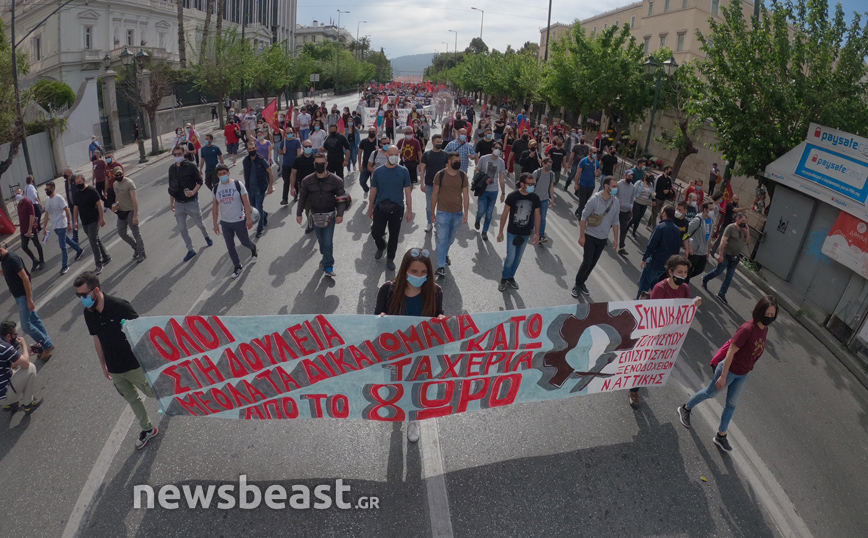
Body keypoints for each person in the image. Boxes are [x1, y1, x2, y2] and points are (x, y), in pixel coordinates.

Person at [677, 295, 778, 452]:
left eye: (773, 315)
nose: (770, 317)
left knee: (732, 405)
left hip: (742, 374)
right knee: (710, 393)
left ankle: (721, 435)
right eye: (767, 314)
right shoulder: (747, 329)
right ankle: (685, 408)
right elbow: (731, 351)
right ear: (760, 311)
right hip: (729, 370)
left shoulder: (765, 329)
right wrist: (723, 376)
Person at [75, 271, 159, 449]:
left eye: (84, 295)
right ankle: (148, 429)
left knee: (154, 393)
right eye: (79, 295)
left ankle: (176, 394)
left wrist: (150, 358)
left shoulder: (120, 306)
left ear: (96, 290)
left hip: (134, 364)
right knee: (132, 399)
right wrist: (103, 365)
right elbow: (97, 338)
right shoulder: (88, 313)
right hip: (115, 368)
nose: (82, 299)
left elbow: (141, 332)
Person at [628, 256, 703, 405]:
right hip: (654, 333)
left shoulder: (685, 288)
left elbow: (683, 312)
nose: (683, 275)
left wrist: (693, 305)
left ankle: (634, 380)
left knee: (651, 363)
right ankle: (634, 390)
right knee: (645, 361)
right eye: (679, 272)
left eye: (685, 272)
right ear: (670, 272)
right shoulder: (660, 288)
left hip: (668, 335)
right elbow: (654, 315)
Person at [296, 152, 348, 278]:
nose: (320, 165)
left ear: (326, 164)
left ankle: (328, 266)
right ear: (314, 164)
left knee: (328, 242)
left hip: (330, 215)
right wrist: (299, 214)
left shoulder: (336, 181)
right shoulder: (307, 181)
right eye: (317, 163)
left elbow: (341, 198)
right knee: (321, 241)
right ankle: (325, 257)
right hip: (315, 216)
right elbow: (302, 198)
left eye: (322, 163)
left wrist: (340, 214)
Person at [0, 246, 54, 361]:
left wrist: (29, 299)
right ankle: (47, 343)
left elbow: (25, 278)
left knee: (25, 326)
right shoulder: (4, 259)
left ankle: (47, 345)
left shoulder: (12, 258)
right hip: (18, 296)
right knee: (34, 319)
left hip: (23, 296)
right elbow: (11, 272)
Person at [571, 176, 621, 297]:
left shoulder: (615, 202)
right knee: (587, 261)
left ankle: (582, 282)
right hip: (590, 235)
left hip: (603, 238)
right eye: (614, 186)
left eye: (616, 186)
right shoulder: (595, 199)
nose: (616, 189)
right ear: (606, 186)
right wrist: (582, 236)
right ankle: (577, 284)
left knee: (593, 263)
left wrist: (616, 239)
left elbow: (615, 221)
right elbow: (584, 217)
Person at [369, 146, 413, 271]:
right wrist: (370, 206)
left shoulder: (403, 171)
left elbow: (408, 192)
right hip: (380, 207)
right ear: (386, 155)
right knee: (376, 232)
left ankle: (390, 258)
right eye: (391, 154)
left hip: (397, 208)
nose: (394, 157)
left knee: (394, 235)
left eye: (396, 154)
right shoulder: (378, 172)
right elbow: (373, 190)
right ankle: (381, 245)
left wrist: (409, 211)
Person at [211, 164, 257, 278]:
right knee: (230, 246)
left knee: (245, 242)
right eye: (220, 174)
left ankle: (253, 248)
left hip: (239, 220)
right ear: (217, 176)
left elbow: (246, 202)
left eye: (224, 173)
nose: (223, 176)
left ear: (228, 173)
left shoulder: (237, 184)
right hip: (225, 223)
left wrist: (248, 218)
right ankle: (237, 266)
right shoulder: (216, 188)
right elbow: (215, 208)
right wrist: (215, 224)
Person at [168, 145, 213, 262]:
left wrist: (193, 191)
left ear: (184, 154)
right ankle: (190, 249)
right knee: (182, 228)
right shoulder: (172, 169)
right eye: (175, 154)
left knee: (199, 224)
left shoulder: (191, 166)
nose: (177, 156)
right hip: (179, 203)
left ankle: (206, 237)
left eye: (179, 154)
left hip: (191, 202)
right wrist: (171, 202)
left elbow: (200, 181)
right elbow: (171, 187)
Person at [497, 173, 541, 291]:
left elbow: (538, 216)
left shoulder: (535, 198)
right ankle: (504, 278)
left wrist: (537, 233)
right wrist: (500, 232)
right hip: (512, 232)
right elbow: (505, 214)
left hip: (525, 234)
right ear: (522, 184)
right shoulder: (512, 196)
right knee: (510, 257)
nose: (532, 186)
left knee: (518, 258)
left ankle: (511, 277)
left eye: (533, 184)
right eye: (530, 184)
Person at [636, 205, 690, 299]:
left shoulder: (660, 227)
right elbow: (677, 249)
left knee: (644, 286)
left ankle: (638, 303)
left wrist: (644, 258)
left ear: (664, 213)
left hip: (654, 262)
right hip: (665, 266)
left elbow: (651, 244)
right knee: (655, 286)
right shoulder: (676, 229)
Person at [431, 152, 469, 278]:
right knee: (442, 240)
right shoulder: (440, 175)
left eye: (459, 161)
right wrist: (432, 212)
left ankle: (444, 254)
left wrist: (466, 212)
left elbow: (466, 195)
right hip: (442, 212)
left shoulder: (463, 176)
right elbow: (435, 194)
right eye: (456, 161)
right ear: (449, 161)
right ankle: (441, 266)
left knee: (451, 239)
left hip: (457, 213)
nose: (458, 163)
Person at [702, 212, 750, 305]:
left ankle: (722, 293)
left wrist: (747, 231)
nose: (744, 223)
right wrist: (721, 254)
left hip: (735, 257)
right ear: (737, 219)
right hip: (726, 255)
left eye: (745, 221)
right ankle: (705, 279)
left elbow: (748, 241)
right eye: (742, 220)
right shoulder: (730, 228)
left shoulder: (744, 230)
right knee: (718, 271)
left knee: (729, 277)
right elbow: (723, 240)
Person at [42, 180, 84, 275]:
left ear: (53, 189)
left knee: (62, 246)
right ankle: (79, 250)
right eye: (45, 189)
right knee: (67, 240)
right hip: (55, 226)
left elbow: (67, 210)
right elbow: (46, 214)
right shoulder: (47, 200)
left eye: (48, 189)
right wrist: (44, 227)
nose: (46, 191)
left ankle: (65, 265)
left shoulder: (59, 198)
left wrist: (69, 223)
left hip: (61, 224)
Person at [0, 321, 42, 414]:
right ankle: (28, 404)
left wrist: (26, 354)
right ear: (8, 336)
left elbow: (11, 365)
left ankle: (10, 404)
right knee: (30, 368)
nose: (16, 337)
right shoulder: (5, 347)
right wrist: (24, 345)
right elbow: (26, 364)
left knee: (16, 367)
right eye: (15, 335)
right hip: (4, 396)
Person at [73, 175, 111, 273]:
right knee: (95, 239)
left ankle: (99, 264)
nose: (78, 185)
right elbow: (76, 208)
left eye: (80, 182)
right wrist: (75, 221)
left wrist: (102, 218)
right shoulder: (77, 194)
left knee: (93, 242)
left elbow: (99, 204)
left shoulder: (92, 191)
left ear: (84, 180)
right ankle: (106, 256)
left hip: (94, 220)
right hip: (84, 222)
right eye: (76, 183)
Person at [242, 141, 275, 239]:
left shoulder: (261, 159)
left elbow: (270, 172)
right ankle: (264, 215)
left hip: (260, 188)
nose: (252, 150)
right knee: (252, 208)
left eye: (253, 148)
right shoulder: (245, 160)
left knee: (258, 207)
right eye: (250, 149)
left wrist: (270, 186)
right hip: (250, 188)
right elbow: (245, 172)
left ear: (256, 148)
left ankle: (260, 229)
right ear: (247, 150)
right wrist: (245, 186)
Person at [474, 142, 508, 240]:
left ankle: (484, 231)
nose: (498, 150)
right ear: (492, 148)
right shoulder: (484, 158)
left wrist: (503, 192)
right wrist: (482, 179)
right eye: (496, 148)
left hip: (494, 191)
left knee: (489, 213)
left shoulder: (501, 162)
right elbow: (477, 170)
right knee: (481, 210)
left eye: (500, 149)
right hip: (483, 189)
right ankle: (477, 219)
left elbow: (501, 178)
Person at [112, 168, 145, 263]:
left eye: (120, 174)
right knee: (121, 233)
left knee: (136, 233)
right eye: (117, 175)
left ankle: (142, 253)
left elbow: (134, 199)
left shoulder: (129, 183)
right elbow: (117, 197)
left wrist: (135, 215)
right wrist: (115, 205)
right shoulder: (115, 184)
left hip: (130, 211)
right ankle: (135, 247)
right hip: (121, 212)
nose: (119, 176)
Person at [420, 134, 448, 234]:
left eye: (440, 142)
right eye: (437, 142)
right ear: (432, 143)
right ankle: (429, 223)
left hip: (442, 185)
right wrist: (422, 183)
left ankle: (438, 224)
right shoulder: (427, 154)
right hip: (429, 184)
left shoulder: (445, 154)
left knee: (441, 206)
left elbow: (447, 170)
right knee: (429, 206)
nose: (439, 144)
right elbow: (422, 170)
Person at [685, 200, 715, 283]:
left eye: (713, 209)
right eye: (710, 209)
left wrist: (708, 252)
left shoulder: (711, 221)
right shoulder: (698, 220)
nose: (712, 211)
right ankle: (683, 284)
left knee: (700, 269)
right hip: (694, 251)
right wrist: (689, 247)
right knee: (689, 270)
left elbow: (709, 238)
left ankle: (682, 279)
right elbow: (686, 232)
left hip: (703, 252)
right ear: (705, 210)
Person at [16, 188, 45, 271]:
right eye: (16, 194)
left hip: (31, 229)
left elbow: (32, 216)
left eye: (19, 193)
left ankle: (42, 260)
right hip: (23, 229)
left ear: (23, 193)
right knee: (24, 246)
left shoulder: (28, 202)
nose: (18, 195)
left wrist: (29, 230)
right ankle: (35, 260)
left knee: (37, 244)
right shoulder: (19, 205)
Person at [532, 157, 556, 244]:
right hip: (535, 198)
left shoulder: (551, 174)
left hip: (544, 199)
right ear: (543, 164)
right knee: (533, 215)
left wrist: (552, 198)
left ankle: (541, 235)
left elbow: (551, 187)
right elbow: (531, 185)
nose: (549, 167)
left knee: (542, 217)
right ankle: (531, 227)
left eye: (550, 165)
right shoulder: (537, 173)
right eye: (548, 165)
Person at [575, 147, 601, 218]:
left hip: (591, 185)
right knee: (582, 201)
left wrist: (597, 174)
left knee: (587, 201)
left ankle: (578, 211)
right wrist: (576, 184)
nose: (595, 154)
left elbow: (598, 173)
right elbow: (578, 173)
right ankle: (581, 217)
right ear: (590, 152)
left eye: (596, 153)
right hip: (583, 184)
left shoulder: (596, 163)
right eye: (594, 152)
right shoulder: (584, 161)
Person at [278, 127, 302, 205]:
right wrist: (283, 150)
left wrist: (298, 163)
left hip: (294, 165)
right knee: (286, 182)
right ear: (285, 134)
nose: (289, 134)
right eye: (288, 133)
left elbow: (299, 152)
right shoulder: (283, 142)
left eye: (290, 132)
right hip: (286, 165)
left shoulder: (297, 141)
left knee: (295, 181)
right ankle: (284, 199)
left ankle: (296, 195)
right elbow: (280, 152)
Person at [628, 172, 655, 238]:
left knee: (638, 219)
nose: (649, 178)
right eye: (648, 176)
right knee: (635, 218)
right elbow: (633, 191)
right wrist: (631, 201)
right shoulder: (639, 183)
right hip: (637, 202)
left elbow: (652, 193)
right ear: (644, 176)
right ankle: (626, 227)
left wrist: (653, 197)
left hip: (644, 204)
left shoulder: (650, 185)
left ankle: (633, 233)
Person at [615, 170, 636, 255]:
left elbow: (632, 200)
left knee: (623, 229)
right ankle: (603, 238)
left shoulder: (632, 187)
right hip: (617, 210)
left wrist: (631, 209)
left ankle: (621, 247)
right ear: (625, 175)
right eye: (629, 176)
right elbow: (614, 195)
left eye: (632, 177)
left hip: (626, 211)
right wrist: (619, 203)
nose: (630, 178)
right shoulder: (618, 184)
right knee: (610, 225)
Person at [358, 127, 379, 197]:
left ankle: (372, 197)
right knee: (362, 181)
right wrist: (359, 164)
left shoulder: (378, 142)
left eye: (373, 131)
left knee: (373, 184)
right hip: (365, 165)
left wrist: (379, 149)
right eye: (370, 131)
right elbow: (360, 152)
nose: (372, 133)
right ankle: (366, 189)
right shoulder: (364, 141)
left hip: (375, 166)